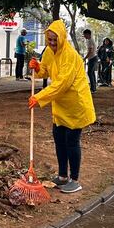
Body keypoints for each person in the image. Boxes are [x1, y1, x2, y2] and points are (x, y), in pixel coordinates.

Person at [28, 20, 96, 194]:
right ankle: (62, 175)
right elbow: (46, 70)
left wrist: (39, 97)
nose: (52, 43)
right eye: (49, 40)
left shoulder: (70, 55)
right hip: (60, 106)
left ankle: (75, 179)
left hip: (75, 104)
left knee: (72, 142)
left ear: (62, 38)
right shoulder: (50, 52)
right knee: (59, 139)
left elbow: (62, 84)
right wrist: (37, 68)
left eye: (54, 40)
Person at [82, 29, 98, 93]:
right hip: (93, 58)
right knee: (92, 73)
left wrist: (85, 58)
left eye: (85, 34)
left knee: (90, 73)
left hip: (92, 58)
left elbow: (90, 51)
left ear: (88, 34)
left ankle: (93, 89)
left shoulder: (90, 41)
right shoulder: (91, 40)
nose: (84, 36)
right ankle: (94, 88)